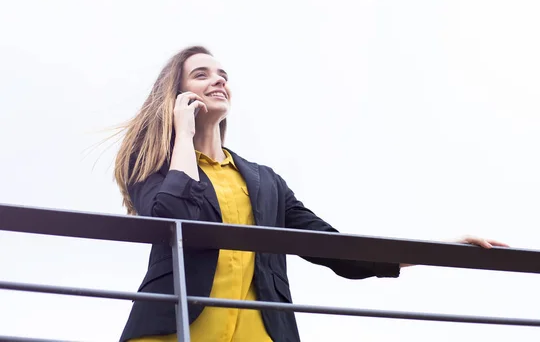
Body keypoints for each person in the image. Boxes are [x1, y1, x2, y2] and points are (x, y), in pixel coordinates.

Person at [113, 46, 508, 342]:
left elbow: (338, 250)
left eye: (223, 74)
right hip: (171, 332)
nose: (218, 80)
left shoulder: (266, 182)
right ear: (177, 94)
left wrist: (441, 248)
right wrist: (182, 133)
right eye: (201, 74)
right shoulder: (150, 164)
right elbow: (167, 218)